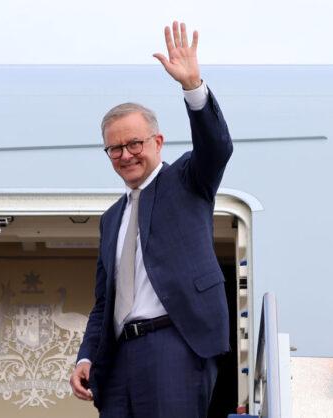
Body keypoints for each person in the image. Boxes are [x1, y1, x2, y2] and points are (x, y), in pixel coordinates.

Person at [69, 22, 232, 418]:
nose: (125, 155)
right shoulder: (111, 219)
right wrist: (86, 356)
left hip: (174, 345)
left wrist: (193, 87)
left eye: (135, 144)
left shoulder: (187, 180)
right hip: (118, 358)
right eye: (115, 148)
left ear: (157, 142)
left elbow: (217, 146)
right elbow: (104, 301)